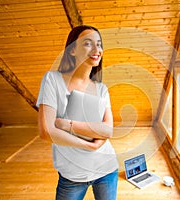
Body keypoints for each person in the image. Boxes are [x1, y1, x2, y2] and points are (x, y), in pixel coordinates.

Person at [36, 25, 119, 200]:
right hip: (72, 176)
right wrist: (90, 144)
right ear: (72, 50)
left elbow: (108, 131)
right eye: (88, 43)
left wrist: (67, 124)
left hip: (107, 169)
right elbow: (47, 131)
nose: (97, 50)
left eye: (99, 44)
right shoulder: (52, 80)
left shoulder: (101, 89)